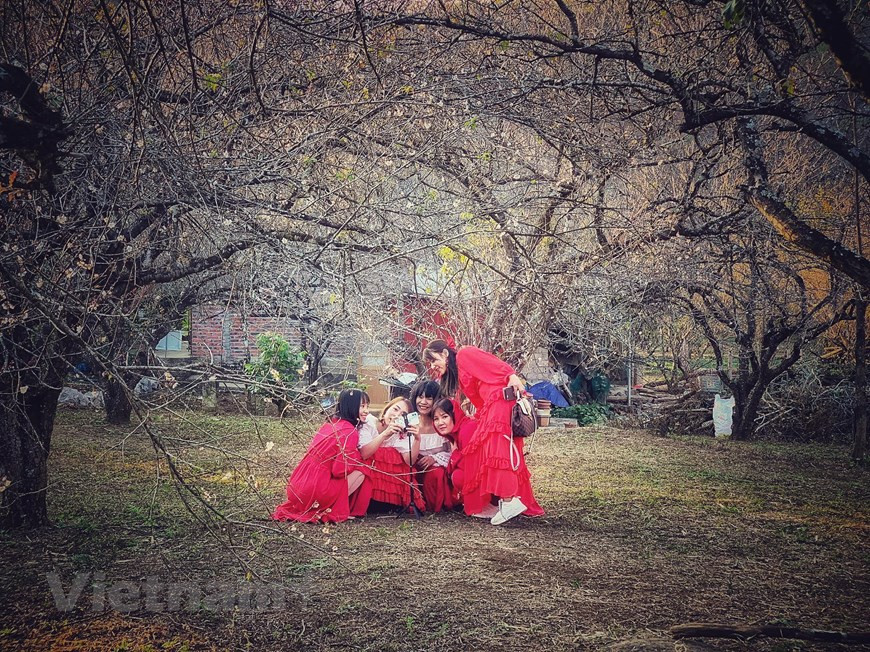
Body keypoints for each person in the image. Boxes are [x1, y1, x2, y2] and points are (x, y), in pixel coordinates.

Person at [423, 340, 544, 525]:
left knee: (499, 452)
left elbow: (494, 364)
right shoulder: (459, 371)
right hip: (493, 407)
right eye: (429, 363)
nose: (432, 366)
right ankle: (510, 500)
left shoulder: (464, 354)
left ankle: (509, 500)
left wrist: (512, 376)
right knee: (503, 452)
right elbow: (480, 396)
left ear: (445, 353)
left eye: (433, 360)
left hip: (500, 403)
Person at [272, 389, 372, 523]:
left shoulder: (330, 424)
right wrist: (356, 459)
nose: (366, 411)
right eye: (362, 406)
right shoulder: (350, 432)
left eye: (367, 406)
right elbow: (339, 471)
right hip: (316, 490)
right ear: (351, 406)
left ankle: (325, 505)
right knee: (363, 470)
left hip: (297, 485)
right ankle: (330, 508)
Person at [356, 396, 425, 512]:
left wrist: (417, 439)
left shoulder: (402, 433)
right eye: (395, 409)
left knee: (397, 458)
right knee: (381, 453)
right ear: (387, 408)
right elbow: (364, 453)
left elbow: (409, 461)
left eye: (403, 414)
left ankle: (390, 502)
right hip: (366, 471)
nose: (397, 415)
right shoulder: (369, 422)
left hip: (389, 479)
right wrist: (385, 434)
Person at [410, 380, 454, 513]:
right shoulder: (409, 422)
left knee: (436, 473)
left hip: (435, 469)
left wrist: (434, 458)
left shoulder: (442, 424)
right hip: (413, 467)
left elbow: (452, 451)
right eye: (420, 397)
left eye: (429, 398)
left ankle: (434, 506)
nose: (423, 402)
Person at [431, 397, 476, 509]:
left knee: (458, 476)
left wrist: (455, 454)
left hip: (491, 479)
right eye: (436, 419)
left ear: (454, 415)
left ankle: (488, 504)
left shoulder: (467, 429)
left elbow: (472, 467)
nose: (440, 423)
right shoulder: (454, 435)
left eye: (444, 417)